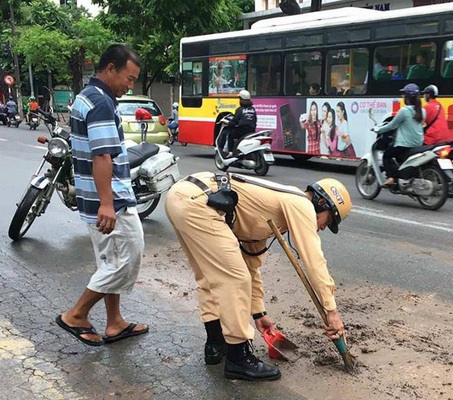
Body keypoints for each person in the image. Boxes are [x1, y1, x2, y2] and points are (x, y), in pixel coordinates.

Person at [164, 173, 352, 382]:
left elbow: (251, 265)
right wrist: (331, 310)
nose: (324, 227)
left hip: (181, 197)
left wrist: (258, 313)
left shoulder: (265, 214)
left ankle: (216, 345)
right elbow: (314, 262)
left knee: (210, 276)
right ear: (321, 204)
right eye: (330, 220)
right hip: (198, 202)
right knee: (234, 279)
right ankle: (239, 358)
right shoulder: (302, 205)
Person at [56, 44, 148, 347]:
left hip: (93, 198)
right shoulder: (101, 103)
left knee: (111, 259)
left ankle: (114, 322)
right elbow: (102, 156)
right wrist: (108, 203)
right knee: (126, 258)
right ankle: (77, 314)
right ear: (110, 69)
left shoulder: (86, 96)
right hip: (111, 201)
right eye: (129, 78)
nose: (129, 85)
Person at [375, 83, 425, 187]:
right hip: (419, 144)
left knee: (387, 155)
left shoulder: (404, 111)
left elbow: (392, 125)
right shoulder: (422, 111)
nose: (403, 98)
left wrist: (379, 130)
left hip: (404, 145)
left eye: (404, 96)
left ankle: (391, 178)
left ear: (407, 98)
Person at [225, 90, 257, 158]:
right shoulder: (253, 109)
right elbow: (255, 120)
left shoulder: (239, 109)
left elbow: (234, 122)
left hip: (242, 131)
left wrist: (227, 122)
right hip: (251, 131)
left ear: (241, 99)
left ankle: (230, 152)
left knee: (230, 135)